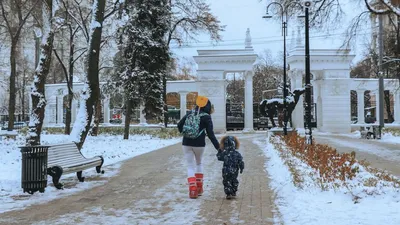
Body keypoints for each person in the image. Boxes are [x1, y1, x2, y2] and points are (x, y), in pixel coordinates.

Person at [177, 96, 220, 199]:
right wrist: (218, 148)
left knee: (190, 166)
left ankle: (192, 190)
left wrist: (185, 132)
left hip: (186, 143)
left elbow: (179, 125)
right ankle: (199, 189)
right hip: (199, 144)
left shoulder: (189, 113)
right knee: (199, 163)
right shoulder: (206, 117)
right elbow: (211, 134)